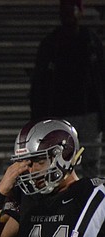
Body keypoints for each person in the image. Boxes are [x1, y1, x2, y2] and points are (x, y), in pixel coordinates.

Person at [31, 0, 105, 180]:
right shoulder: (52, 44)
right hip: (62, 113)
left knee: (90, 161)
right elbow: (40, 82)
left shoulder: (91, 41)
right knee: (61, 161)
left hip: (88, 112)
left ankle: (89, 196)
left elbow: (100, 76)